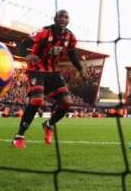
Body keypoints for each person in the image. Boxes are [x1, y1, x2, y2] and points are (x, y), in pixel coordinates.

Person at [12, 10, 84, 149]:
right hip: (36, 70)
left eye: (66, 17)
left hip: (53, 72)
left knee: (67, 103)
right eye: (61, 16)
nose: (63, 19)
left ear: (69, 20)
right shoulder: (43, 32)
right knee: (37, 100)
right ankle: (19, 136)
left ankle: (49, 125)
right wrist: (27, 55)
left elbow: (72, 54)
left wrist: (80, 69)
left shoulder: (70, 37)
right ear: (55, 18)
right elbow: (23, 45)